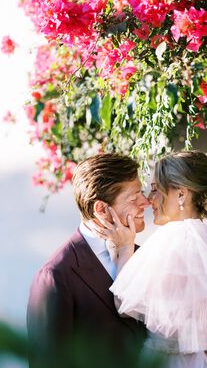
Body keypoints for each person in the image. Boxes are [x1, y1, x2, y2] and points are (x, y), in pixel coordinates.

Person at [95, 151, 207, 368]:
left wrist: (125, 248)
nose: (149, 199)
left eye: (155, 189)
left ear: (181, 194)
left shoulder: (172, 239)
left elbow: (125, 306)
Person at [26, 153, 149, 368]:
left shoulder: (145, 256)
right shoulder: (55, 276)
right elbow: (46, 362)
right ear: (101, 209)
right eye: (134, 197)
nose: (145, 202)